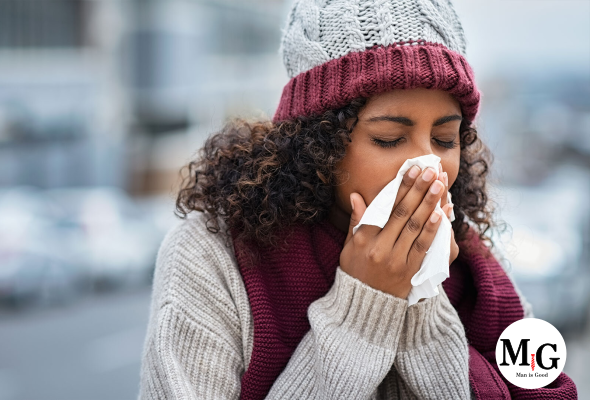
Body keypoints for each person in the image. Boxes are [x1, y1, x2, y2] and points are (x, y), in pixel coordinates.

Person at [138, 1, 577, 399]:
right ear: (318, 146)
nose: (429, 167)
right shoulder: (213, 257)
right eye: (389, 139)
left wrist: (422, 301)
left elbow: (549, 389)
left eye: (445, 138)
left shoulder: (476, 266)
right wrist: (364, 308)